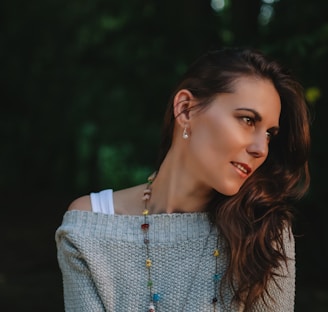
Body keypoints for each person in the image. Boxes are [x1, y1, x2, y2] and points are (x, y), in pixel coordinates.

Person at [56, 47, 310, 312]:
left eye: (269, 134)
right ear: (186, 110)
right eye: (247, 120)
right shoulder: (91, 226)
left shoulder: (262, 232)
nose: (262, 148)